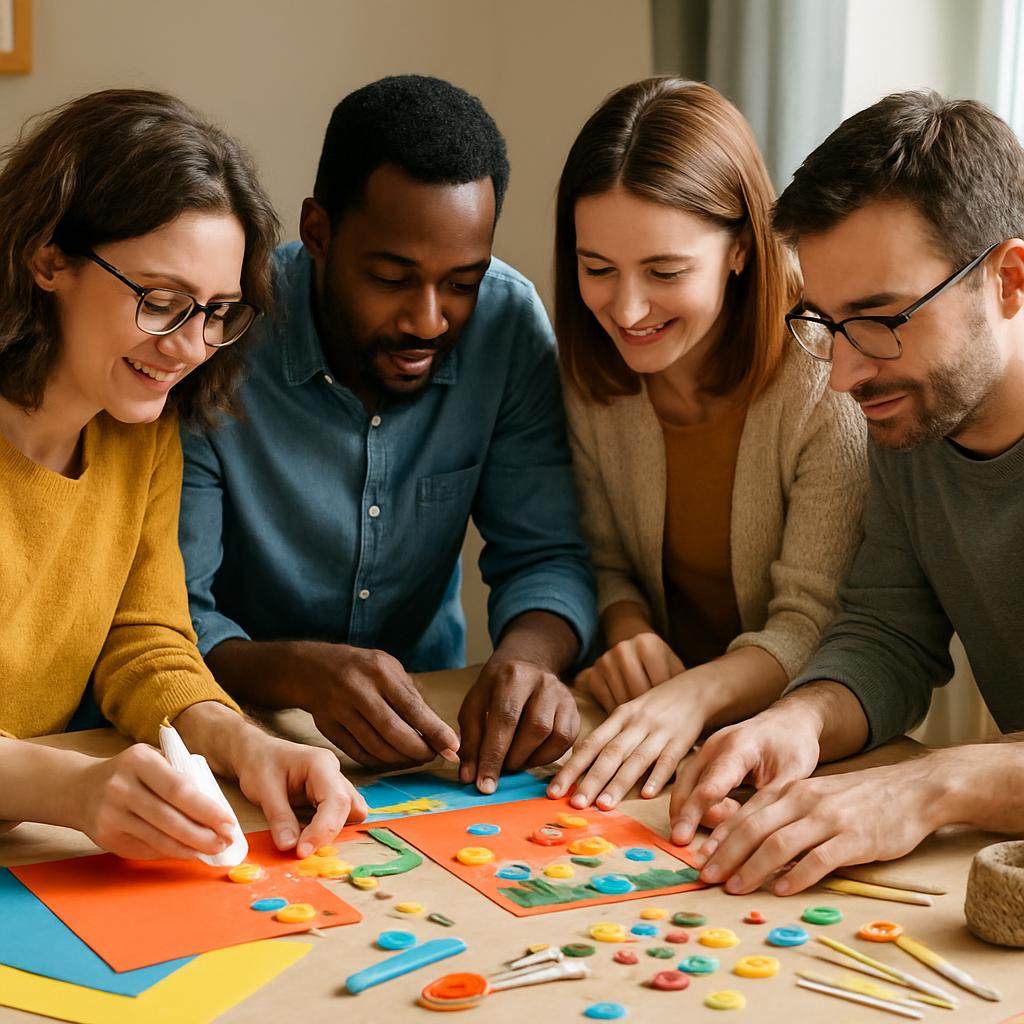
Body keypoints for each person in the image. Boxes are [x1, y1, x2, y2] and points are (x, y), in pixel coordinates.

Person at [179, 75, 597, 794]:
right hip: (233, 737)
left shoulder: (507, 327)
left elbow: (546, 553)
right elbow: (173, 616)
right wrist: (300, 672)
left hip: (428, 747)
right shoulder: (221, 340)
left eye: (462, 282)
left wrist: (528, 659)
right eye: (391, 276)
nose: (429, 319)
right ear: (318, 232)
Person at [670, 90, 1024, 897]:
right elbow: (889, 632)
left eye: (881, 317)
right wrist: (796, 721)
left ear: (1008, 279)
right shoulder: (916, 416)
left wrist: (933, 786)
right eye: (826, 323)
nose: (845, 373)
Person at [0, 89, 366, 861]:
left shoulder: (141, 429)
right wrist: (69, 789)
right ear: (47, 257)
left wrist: (243, 743)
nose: (190, 346)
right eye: (162, 300)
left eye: (218, 311)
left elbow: (147, 640)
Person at [545, 78, 867, 811]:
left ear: (743, 251)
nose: (625, 310)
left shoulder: (826, 374)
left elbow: (814, 619)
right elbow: (601, 559)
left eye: (664, 272)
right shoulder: (595, 376)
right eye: (597, 269)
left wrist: (690, 696)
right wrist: (625, 630)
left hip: (807, 753)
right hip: (654, 742)